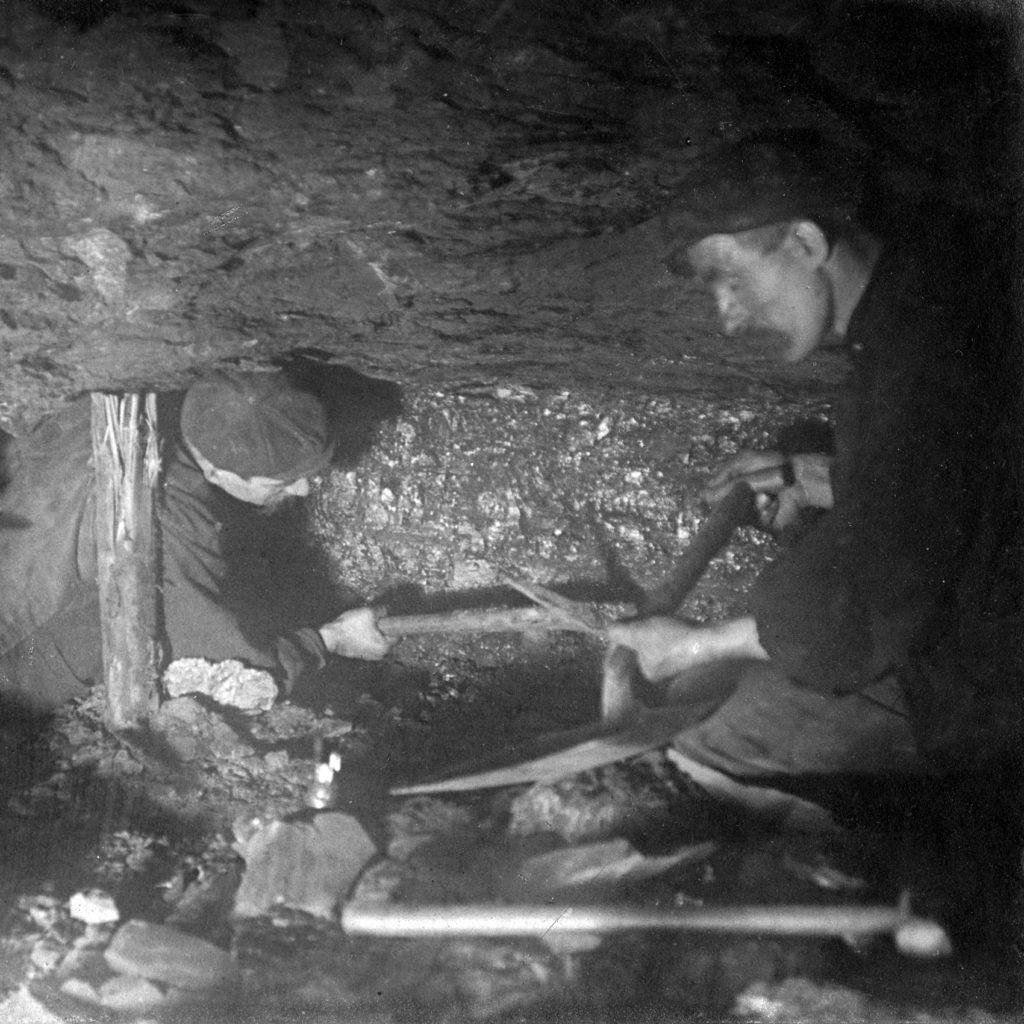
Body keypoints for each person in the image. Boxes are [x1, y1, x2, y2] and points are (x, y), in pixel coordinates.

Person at [606, 134, 1021, 820]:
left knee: (704, 742)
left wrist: (694, 644)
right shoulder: (929, 309)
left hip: (995, 699)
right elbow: (955, 489)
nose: (729, 318)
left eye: (730, 280)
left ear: (804, 243)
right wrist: (820, 474)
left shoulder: (931, 352)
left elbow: (872, 598)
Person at [0, 365, 394, 713]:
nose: (305, 489)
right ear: (215, 471)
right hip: (14, 663)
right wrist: (330, 640)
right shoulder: (165, 512)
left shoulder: (121, 403)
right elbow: (227, 664)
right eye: (284, 481)